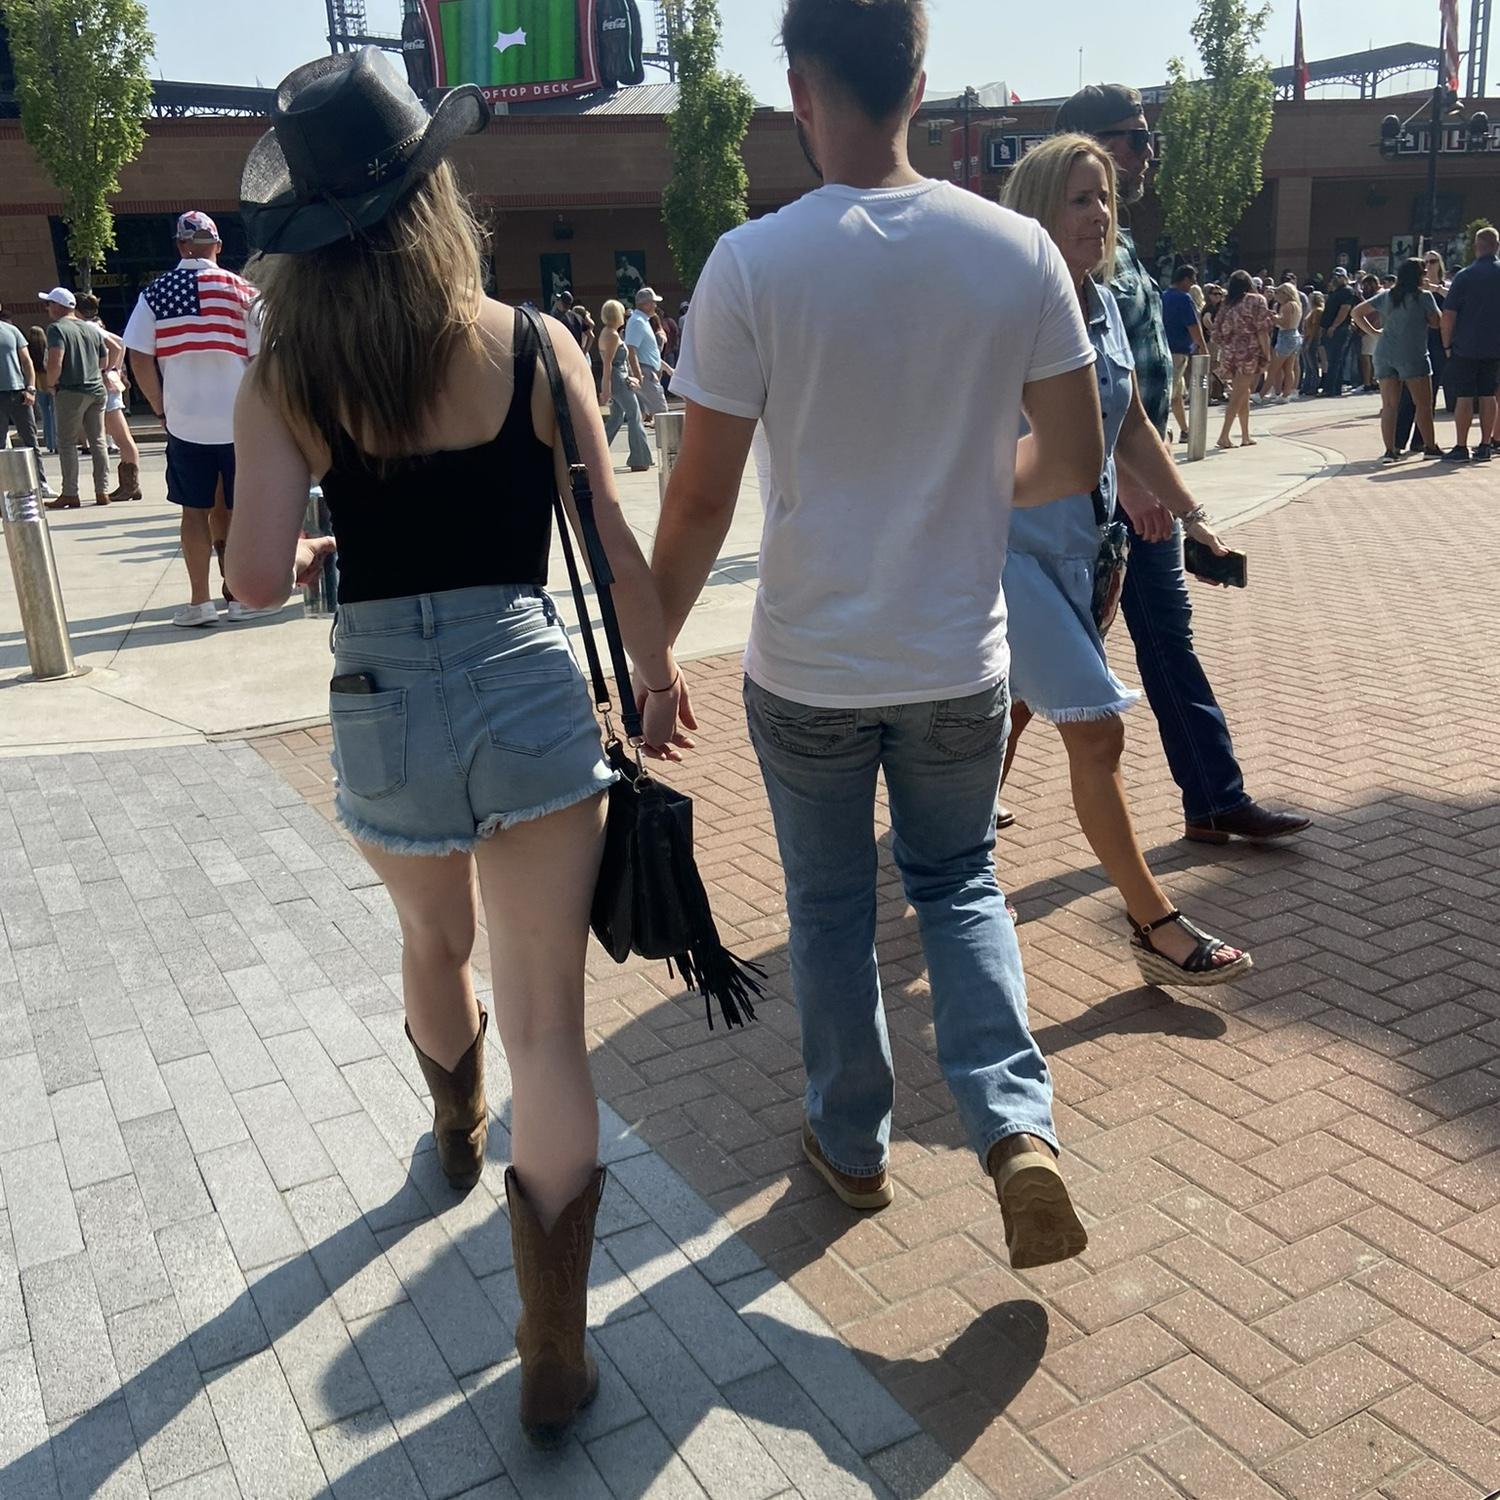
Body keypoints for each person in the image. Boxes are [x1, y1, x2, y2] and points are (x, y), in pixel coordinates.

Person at [228, 47, 680, 1449]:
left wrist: (321, 542)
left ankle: (451, 1125)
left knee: (434, 944)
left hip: (383, 699)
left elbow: (251, 577)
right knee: (553, 1023)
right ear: (433, 195)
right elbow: (609, 538)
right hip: (529, 684)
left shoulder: (286, 376)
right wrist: (656, 674)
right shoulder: (533, 344)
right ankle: (553, 1347)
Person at [653, 0, 1105, 1267]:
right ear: (919, 82)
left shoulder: (751, 265)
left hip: (808, 665)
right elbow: (1073, 457)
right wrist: (964, 483)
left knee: (830, 904)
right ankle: (1014, 1126)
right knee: (959, 883)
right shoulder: (1016, 250)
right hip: (956, 657)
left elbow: (699, 500)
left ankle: (853, 1146)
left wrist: (648, 653)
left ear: (801, 91)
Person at [999, 135, 1251, 988]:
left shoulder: (1101, 302)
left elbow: (1131, 421)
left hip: (1081, 555)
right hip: (1009, 557)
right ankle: (1153, 920)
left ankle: (951, 854)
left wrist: (1192, 516)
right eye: (1080, 198)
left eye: (1105, 196)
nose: (1101, 214)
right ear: (1038, 208)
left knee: (1010, 711)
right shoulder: (1004, 309)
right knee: (1096, 729)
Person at [1054, 83, 1310, 846]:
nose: (1147, 153)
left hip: (1136, 484)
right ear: (1084, 144)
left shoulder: (1119, 245)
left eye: (1147, 139)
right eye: (1133, 139)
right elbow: (1071, 389)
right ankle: (955, 820)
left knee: (1157, 642)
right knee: (1048, 662)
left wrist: (1186, 507)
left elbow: (1132, 395)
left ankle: (1214, 797)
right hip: (1090, 499)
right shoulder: (1058, 252)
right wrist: (1132, 484)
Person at [124, 211, 265, 627]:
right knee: (236, 509)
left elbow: (139, 356)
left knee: (194, 510)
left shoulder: (155, 293)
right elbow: (262, 358)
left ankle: (200, 601)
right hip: (239, 419)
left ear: (180, 245)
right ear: (218, 245)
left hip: (185, 420)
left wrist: (159, 406)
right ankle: (238, 596)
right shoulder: (244, 291)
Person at [1351, 258, 1442, 462]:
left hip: (1385, 353)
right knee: (1423, 404)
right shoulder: (1423, 296)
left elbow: (1357, 312)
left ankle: (1390, 451)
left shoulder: (1387, 295)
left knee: (1390, 406)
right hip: (1413, 354)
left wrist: (1374, 332)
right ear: (1418, 276)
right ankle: (1430, 446)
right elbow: (1437, 322)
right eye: (1424, 272)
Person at [39, 287, 115, 510]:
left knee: (67, 442)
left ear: (58, 306)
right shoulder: (90, 328)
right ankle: (102, 490)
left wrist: (51, 384)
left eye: (49, 303)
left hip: (71, 390)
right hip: (96, 390)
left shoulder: (57, 328)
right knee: (98, 441)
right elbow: (104, 359)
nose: (47, 308)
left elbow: (56, 361)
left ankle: (70, 493)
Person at [1439, 224, 1500, 464]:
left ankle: (1461, 446)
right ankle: (1485, 445)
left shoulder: (1464, 276)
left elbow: (1448, 315)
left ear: (1476, 247)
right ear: (1497, 246)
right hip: (1494, 346)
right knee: (1488, 394)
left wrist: (1446, 345)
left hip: (1465, 345)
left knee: (1464, 396)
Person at [76, 293, 143, 501]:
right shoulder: (91, 326)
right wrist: (114, 369)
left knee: (122, 438)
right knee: (120, 437)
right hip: (108, 388)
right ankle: (129, 485)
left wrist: (108, 370)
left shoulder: (89, 327)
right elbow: (121, 343)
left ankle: (131, 485)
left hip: (107, 390)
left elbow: (119, 345)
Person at [1211, 272, 1271, 448]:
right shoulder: (1257, 300)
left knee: (1243, 392)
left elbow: (1215, 332)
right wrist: (1267, 354)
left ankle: (1245, 435)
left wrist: (1228, 344)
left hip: (1230, 352)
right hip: (1249, 351)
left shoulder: (1227, 303)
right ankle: (1224, 436)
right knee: (1238, 394)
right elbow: (1262, 330)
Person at [0, 308, 53, 497]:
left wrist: (30, 388)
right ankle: (3, 489)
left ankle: (41, 484)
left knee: (31, 441)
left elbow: (27, 361)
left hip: (18, 392)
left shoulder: (11, 330)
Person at [598, 297, 653, 471]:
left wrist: (607, 388)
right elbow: (608, 364)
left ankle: (597, 455)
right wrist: (605, 389)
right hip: (619, 380)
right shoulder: (613, 335)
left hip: (617, 379)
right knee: (634, 416)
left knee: (615, 419)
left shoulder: (606, 332)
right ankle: (639, 459)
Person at [1161, 265, 1204, 443]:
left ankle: (1185, 430)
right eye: (1192, 280)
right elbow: (1193, 327)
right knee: (1169, 393)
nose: (1193, 284)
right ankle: (1161, 429)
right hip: (1177, 352)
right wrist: (1203, 349)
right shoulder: (1184, 298)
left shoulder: (1163, 296)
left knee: (1177, 394)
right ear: (1185, 279)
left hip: (1164, 349)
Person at [624, 285, 670, 421]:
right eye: (653, 302)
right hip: (645, 372)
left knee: (642, 417)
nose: (655, 306)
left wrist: (667, 368)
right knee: (662, 413)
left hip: (647, 371)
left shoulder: (641, 321)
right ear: (646, 304)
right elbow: (631, 349)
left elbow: (647, 352)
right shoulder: (638, 322)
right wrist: (638, 374)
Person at [1318, 266, 1358, 397]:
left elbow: (1344, 310)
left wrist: (1334, 326)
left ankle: (1331, 388)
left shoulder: (1347, 291)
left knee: (1336, 359)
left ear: (1345, 278)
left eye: (1339, 277)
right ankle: (1334, 388)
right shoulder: (1335, 291)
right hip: (1330, 328)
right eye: (1335, 276)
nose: (1336, 279)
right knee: (1333, 359)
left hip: (1340, 329)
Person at [1267, 282, 1303, 402]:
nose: (1276, 295)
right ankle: (1286, 394)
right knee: (1288, 369)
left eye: (1278, 293)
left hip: (1286, 336)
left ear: (1285, 293)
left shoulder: (1287, 306)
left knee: (1274, 368)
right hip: (1294, 335)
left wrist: (1274, 318)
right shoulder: (1296, 305)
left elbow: (1285, 323)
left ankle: (1261, 394)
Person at [26, 325, 57, 458]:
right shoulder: (47, 347)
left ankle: (49, 443)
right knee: (55, 414)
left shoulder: (29, 350)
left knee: (45, 414)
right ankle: (56, 443)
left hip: (38, 383)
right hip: (50, 382)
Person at [1357, 272, 1382, 391]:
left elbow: (1372, 311)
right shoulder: (1380, 294)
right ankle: (1373, 380)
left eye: (1366, 285)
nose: (1364, 288)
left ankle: (1367, 382)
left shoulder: (1378, 295)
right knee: (1372, 357)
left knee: (1366, 357)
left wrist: (1368, 329)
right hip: (1375, 329)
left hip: (1371, 329)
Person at [1301, 290, 1326, 395]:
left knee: (1312, 365)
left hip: (1312, 339)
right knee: (1307, 365)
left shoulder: (1318, 311)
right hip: (1307, 338)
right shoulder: (1312, 311)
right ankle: (1306, 386)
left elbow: (1315, 327)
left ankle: (1314, 385)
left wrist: (1309, 341)